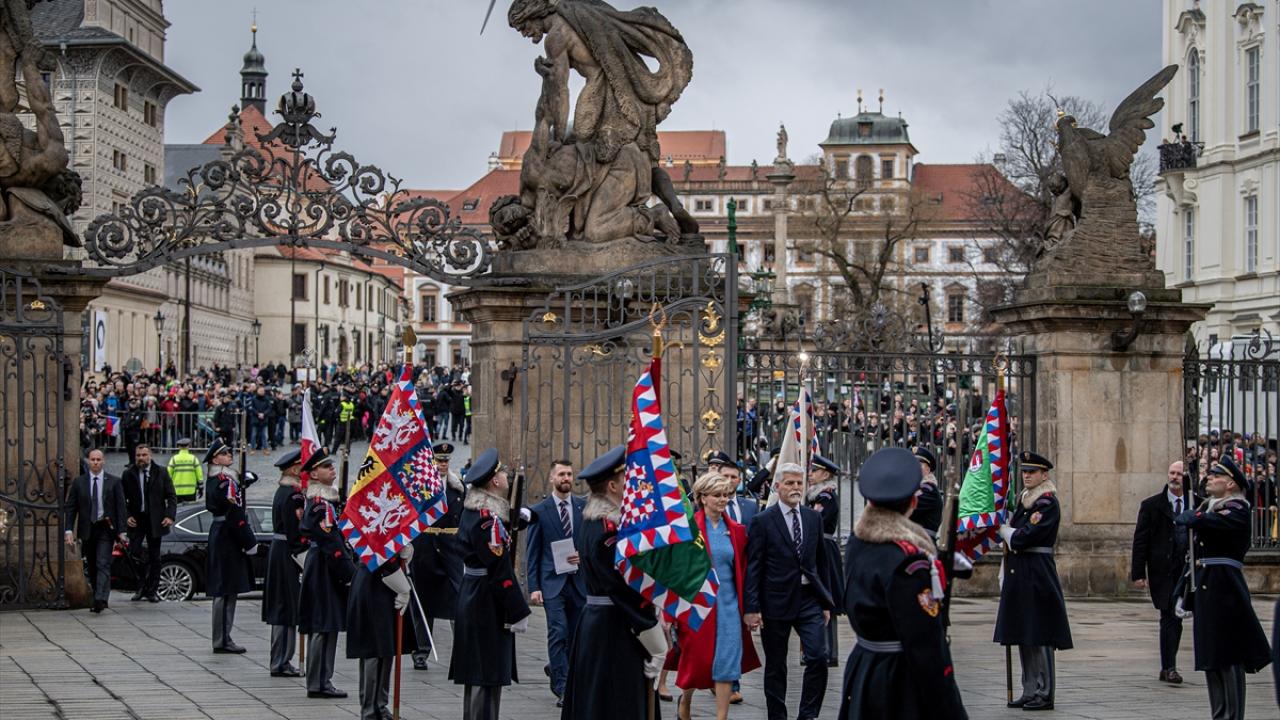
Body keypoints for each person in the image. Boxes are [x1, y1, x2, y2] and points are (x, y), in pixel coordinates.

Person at [839, 447, 967, 719]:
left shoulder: (858, 542)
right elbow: (924, 643)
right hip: (899, 677)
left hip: (864, 666)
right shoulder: (910, 563)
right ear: (913, 503)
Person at [561, 445, 668, 720]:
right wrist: (651, 631)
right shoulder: (608, 530)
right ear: (612, 486)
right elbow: (622, 587)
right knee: (617, 702)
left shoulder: (597, 521)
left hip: (602, 621)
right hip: (616, 626)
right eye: (626, 479)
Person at [1175, 456, 1272, 720]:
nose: (1209, 478)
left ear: (1230, 484)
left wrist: (1196, 517)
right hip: (1207, 586)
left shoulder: (1237, 508)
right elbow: (1185, 527)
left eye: (1216, 476)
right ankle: (1219, 714)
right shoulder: (1209, 507)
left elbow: (1203, 523)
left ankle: (1232, 715)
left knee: (1229, 655)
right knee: (1212, 656)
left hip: (1225, 588)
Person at [744, 462, 835, 720]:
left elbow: (821, 562)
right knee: (776, 664)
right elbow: (754, 568)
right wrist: (752, 608)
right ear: (777, 486)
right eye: (790, 483)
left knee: (818, 657)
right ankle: (777, 715)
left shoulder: (812, 517)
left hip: (809, 600)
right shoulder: (762, 521)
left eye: (799, 483)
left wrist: (826, 601)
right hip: (775, 601)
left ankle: (808, 714)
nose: (796, 488)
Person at [448, 448, 531, 720]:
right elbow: (499, 570)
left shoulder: (479, 513)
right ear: (494, 481)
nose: (506, 476)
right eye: (502, 473)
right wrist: (518, 610)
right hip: (486, 602)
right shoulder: (488, 521)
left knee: (480, 675)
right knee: (485, 675)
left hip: (475, 596)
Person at [676, 470, 761, 720]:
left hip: (729, 606)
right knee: (696, 661)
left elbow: (744, 571)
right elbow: (679, 570)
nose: (723, 500)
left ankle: (721, 717)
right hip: (697, 605)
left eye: (726, 495)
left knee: (727, 663)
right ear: (702, 497)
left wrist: (750, 609)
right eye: (717, 495)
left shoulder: (735, 530)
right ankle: (686, 700)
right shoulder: (688, 528)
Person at [994, 451, 1072, 711]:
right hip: (1021, 573)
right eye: (1025, 471)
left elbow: (1025, 537)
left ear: (1044, 475)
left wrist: (1007, 531)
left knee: (1040, 634)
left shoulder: (1046, 503)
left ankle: (1044, 691)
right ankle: (1029, 689)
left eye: (1033, 472)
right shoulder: (1025, 500)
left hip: (1037, 573)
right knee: (1024, 633)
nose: (1027, 475)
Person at [526, 459, 586, 707]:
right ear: (551, 478)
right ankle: (562, 688)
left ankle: (560, 669)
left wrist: (583, 554)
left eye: (570, 474)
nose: (566, 478)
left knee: (575, 636)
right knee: (558, 632)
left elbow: (589, 541)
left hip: (578, 582)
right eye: (561, 474)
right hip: (552, 583)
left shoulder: (584, 507)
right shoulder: (540, 511)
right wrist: (534, 586)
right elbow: (532, 551)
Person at [298, 447, 354, 698]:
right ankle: (319, 681)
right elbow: (331, 542)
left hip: (324, 563)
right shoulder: (321, 505)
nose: (331, 470)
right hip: (324, 566)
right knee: (323, 625)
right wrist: (349, 573)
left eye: (332, 466)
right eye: (326, 467)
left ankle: (322, 679)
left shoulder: (327, 502)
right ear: (313, 475)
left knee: (328, 626)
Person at [1130, 460, 1191, 684]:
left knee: (1177, 618)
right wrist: (1138, 573)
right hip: (1162, 571)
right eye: (1171, 473)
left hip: (1186, 571)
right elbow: (1141, 540)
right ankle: (1169, 667)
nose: (1174, 477)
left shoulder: (1196, 504)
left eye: (1179, 474)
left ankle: (1169, 665)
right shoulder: (1152, 505)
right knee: (1169, 616)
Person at [408, 441, 465, 670]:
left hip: (450, 548)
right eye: (439, 460)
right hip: (426, 546)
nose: (442, 465)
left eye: (445, 461)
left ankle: (462, 649)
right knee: (423, 601)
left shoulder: (457, 488)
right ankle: (420, 651)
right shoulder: (422, 488)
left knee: (458, 598)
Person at [346, 542, 417, 720]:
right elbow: (380, 554)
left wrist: (403, 551)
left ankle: (380, 705)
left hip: (386, 586)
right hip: (373, 583)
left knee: (387, 649)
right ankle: (369, 708)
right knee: (373, 650)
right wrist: (401, 583)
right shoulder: (370, 516)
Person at [204, 438, 257, 653]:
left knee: (225, 591)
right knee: (226, 591)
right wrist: (249, 540)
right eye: (225, 454)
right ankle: (222, 638)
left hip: (221, 533)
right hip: (228, 535)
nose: (229, 456)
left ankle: (223, 637)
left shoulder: (220, 479)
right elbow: (236, 514)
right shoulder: (225, 482)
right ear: (216, 458)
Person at [63, 448, 126, 613]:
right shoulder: (79, 482)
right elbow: (71, 508)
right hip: (87, 528)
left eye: (98, 459)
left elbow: (121, 508)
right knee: (91, 564)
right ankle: (99, 594)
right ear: (88, 461)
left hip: (105, 527)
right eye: (93, 459)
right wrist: (69, 529)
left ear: (103, 461)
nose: (96, 462)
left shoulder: (114, 481)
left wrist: (122, 531)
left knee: (103, 562)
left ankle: (100, 598)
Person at [262, 448, 306, 678]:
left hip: (279, 550)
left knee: (283, 608)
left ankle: (280, 659)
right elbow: (295, 530)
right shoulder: (293, 495)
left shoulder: (284, 491)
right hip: (287, 551)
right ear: (294, 468)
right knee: (285, 609)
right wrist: (303, 555)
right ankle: (281, 661)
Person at [120, 443, 176, 603]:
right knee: (134, 554)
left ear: (150, 455)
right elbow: (122, 498)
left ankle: (152, 590)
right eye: (138, 455)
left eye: (144, 455)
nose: (141, 458)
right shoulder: (128, 474)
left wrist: (169, 516)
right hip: (137, 520)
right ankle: (140, 586)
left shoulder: (161, 472)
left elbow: (171, 496)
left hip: (155, 519)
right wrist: (127, 515)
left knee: (155, 557)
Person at [808, 454, 845, 669]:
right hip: (816, 547)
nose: (810, 475)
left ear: (826, 474)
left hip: (824, 548)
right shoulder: (815, 496)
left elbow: (815, 521)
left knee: (826, 600)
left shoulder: (826, 497)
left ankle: (829, 651)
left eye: (815, 471)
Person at [708, 450, 757, 529]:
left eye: (733, 477)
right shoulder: (707, 505)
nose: (729, 480)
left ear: (739, 480)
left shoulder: (751, 507)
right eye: (725, 476)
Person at [910, 446, 943, 539]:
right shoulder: (912, 487)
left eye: (919, 464)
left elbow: (905, 508)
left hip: (923, 542)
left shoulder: (929, 490)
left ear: (928, 470)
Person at [167, 437, 203, 502]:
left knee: (178, 511)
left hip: (176, 491)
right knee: (189, 511)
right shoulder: (193, 459)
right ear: (188, 446)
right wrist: (201, 487)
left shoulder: (174, 459)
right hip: (190, 491)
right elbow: (199, 474)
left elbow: (168, 475)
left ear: (179, 447)